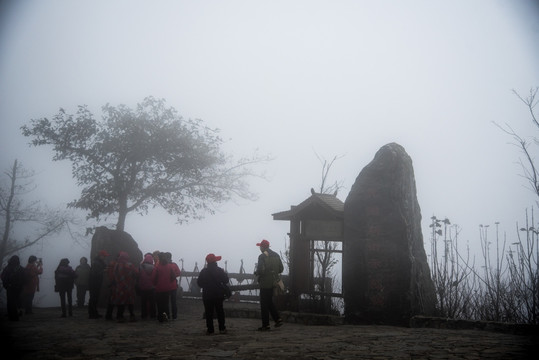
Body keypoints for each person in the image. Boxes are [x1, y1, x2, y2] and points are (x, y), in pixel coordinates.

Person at [196, 253, 229, 335]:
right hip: (218, 294)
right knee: (220, 311)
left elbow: (199, 283)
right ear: (215, 262)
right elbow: (226, 280)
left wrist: (206, 285)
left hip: (207, 295)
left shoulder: (203, 271)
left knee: (208, 312)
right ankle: (222, 328)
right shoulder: (219, 270)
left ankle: (210, 330)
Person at [254, 239, 284, 331]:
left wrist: (256, 272)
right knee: (269, 302)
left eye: (260, 246)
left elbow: (260, 270)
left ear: (263, 247)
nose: (259, 248)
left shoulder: (262, 256)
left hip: (265, 283)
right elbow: (281, 269)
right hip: (274, 283)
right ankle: (277, 319)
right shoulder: (276, 255)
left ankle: (265, 325)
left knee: (264, 304)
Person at [106, 251, 138, 322]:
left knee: (121, 301)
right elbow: (136, 272)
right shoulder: (129, 265)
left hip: (119, 286)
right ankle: (132, 316)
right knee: (130, 301)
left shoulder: (116, 265)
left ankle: (119, 316)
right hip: (129, 286)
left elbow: (113, 275)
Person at [152, 252, 176, 322]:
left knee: (159, 303)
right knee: (166, 303)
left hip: (159, 288)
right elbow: (173, 276)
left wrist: (155, 284)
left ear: (159, 258)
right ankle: (167, 315)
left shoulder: (157, 267)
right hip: (167, 288)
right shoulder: (169, 266)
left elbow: (153, 278)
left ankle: (160, 318)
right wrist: (169, 282)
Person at [1, 255, 25, 321]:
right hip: (18, 288)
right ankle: (16, 315)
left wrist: (6, 285)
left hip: (10, 287)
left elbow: (2, 277)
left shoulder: (7, 268)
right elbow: (25, 279)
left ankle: (11, 316)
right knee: (17, 301)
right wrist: (21, 285)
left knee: (10, 302)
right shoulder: (21, 269)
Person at [88, 250, 108, 319]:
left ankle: (94, 313)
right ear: (100, 256)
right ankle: (92, 314)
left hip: (96, 282)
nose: (105, 257)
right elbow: (95, 273)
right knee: (93, 298)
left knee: (95, 298)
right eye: (104, 256)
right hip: (94, 282)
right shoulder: (96, 263)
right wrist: (104, 271)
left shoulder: (99, 262)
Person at [137, 253, 156, 320]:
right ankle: (153, 315)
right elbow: (155, 277)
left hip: (143, 286)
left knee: (143, 302)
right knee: (152, 302)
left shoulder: (140, 266)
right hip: (152, 287)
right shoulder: (154, 267)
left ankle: (144, 315)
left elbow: (138, 275)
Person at [165, 252, 181, 320]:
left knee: (166, 302)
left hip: (165, 286)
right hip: (173, 285)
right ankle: (174, 316)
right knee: (173, 302)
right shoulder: (174, 265)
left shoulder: (164, 265)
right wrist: (173, 277)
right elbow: (178, 273)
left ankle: (167, 315)